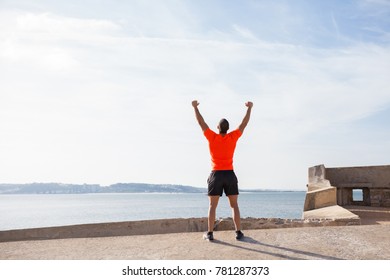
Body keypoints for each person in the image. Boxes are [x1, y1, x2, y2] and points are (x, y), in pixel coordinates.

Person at [192, 100, 253, 241]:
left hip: (216, 174)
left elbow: (201, 122)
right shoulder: (233, 137)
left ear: (218, 127)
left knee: (212, 206)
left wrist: (195, 107)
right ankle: (238, 232)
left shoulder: (212, 137)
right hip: (229, 174)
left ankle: (210, 234)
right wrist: (249, 108)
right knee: (234, 205)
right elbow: (244, 123)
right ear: (228, 128)